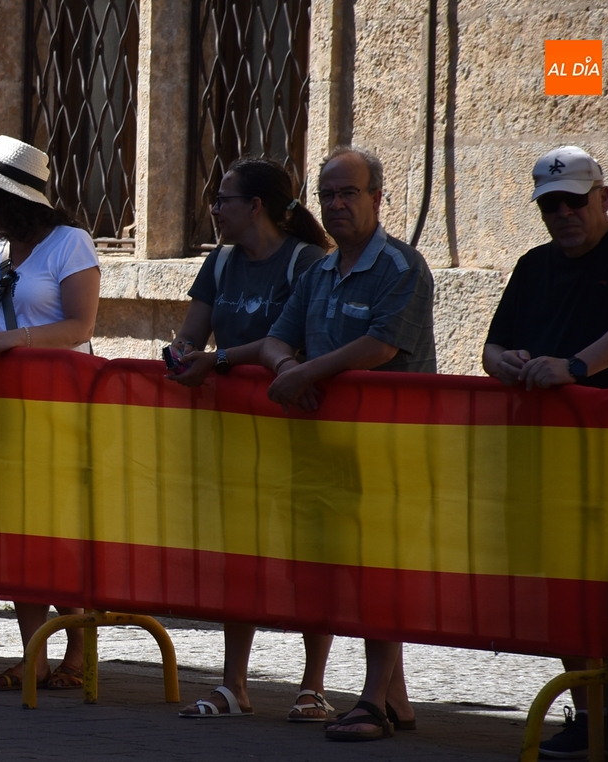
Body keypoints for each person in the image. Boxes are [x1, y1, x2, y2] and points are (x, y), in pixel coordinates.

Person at [259, 146, 436, 742]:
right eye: (327, 194)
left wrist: (308, 372)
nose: (336, 204)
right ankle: (397, 698)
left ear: (377, 198)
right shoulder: (319, 271)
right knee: (348, 571)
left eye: (349, 193)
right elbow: (276, 338)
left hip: (390, 450)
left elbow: (382, 344)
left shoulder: (402, 267)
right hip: (328, 451)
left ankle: (373, 703)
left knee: (380, 570)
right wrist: (288, 366)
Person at [483, 145, 608, 758]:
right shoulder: (533, 265)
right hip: (550, 455)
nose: (564, 215)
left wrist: (576, 367)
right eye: (551, 206)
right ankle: (590, 711)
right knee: (566, 585)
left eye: (575, 201)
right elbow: (492, 347)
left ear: (604, 196)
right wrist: (508, 364)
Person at [167, 158, 333, 719]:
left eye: (223, 199)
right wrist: (182, 354)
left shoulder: (307, 262)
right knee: (240, 555)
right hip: (235, 435)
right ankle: (232, 685)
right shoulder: (219, 261)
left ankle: (312, 687)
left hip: (298, 431)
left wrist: (219, 361)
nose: (214, 209)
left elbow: (297, 344)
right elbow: (192, 334)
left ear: (255, 206)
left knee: (309, 555)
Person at [0, 135, 101, 691]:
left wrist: (12, 340)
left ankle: (79, 647)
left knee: (55, 530)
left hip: (59, 411)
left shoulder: (70, 244)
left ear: (12, 199)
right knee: (16, 532)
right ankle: (33, 653)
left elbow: (79, 326)